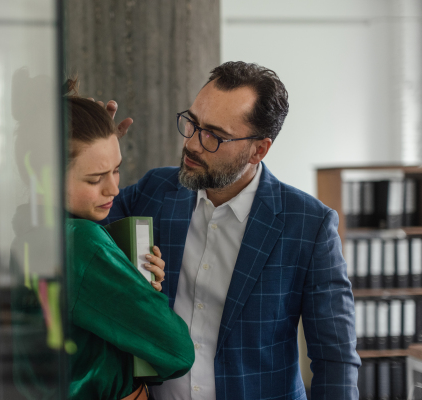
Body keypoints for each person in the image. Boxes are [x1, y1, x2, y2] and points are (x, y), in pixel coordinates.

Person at [101, 62, 360, 400]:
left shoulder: (309, 226)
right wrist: (91, 153)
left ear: (259, 150)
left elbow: (335, 359)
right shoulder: (155, 191)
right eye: (192, 123)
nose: (193, 144)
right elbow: (81, 233)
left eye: (214, 135)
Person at [64, 81, 195, 400]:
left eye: (116, 170)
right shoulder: (82, 241)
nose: (114, 189)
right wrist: (145, 297)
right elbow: (177, 351)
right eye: (96, 178)